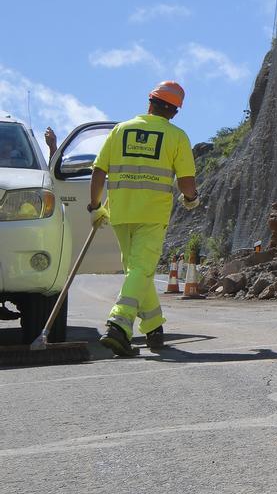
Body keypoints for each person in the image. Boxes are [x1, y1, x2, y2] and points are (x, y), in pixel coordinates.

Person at [89, 81, 200, 356]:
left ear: (149, 101)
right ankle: (119, 323)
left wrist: (94, 207)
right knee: (141, 270)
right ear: (174, 111)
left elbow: (98, 172)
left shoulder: (120, 129)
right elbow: (187, 183)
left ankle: (153, 327)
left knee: (138, 270)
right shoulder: (176, 136)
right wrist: (191, 199)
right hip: (152, 215)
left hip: (120, 214)